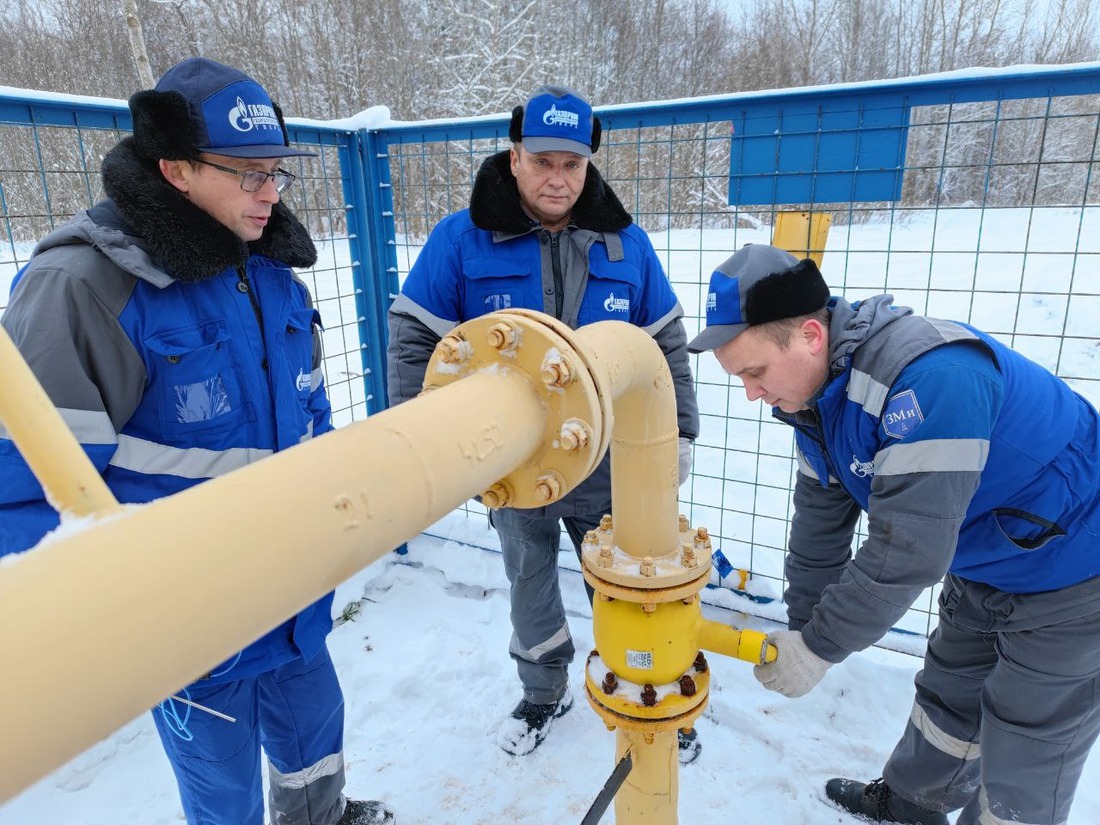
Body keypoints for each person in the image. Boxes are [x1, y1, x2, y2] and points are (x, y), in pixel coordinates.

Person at [0, 58, 393, 825]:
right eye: (248, 174)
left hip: (295, 593)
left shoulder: (272, 273)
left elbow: (311, 421)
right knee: (223, 793)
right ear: (174, 168)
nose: (271, 192)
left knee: (315, 736)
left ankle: (320, 814)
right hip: (188, 624)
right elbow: (24, 495)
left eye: (277, 171)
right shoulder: (84, 288)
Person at [687, 242, 1100, 824]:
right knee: (949, 694)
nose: (751, 394)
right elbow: (820, 524)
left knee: (1029, 743)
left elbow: (907, 549)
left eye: (754, 372)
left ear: (809, 334)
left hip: (1075, 567)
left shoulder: (931, 380)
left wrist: (823, 646)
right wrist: (806, 626)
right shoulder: (817, 401)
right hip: (989, 552)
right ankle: (912, 806)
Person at [386, 85, 701, 761]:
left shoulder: (626, 244)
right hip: (512, 463)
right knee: (529, 576)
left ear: (588, 164)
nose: (559, 179)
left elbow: (665, 342)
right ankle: (542, 689)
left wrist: (682, 435)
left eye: (574, 164)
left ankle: (649, 686)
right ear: (515, 156)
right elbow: (416, 336)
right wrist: (423, 441)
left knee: (628, 578)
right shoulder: (460, 241)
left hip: (609, 460)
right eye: (543, 161)